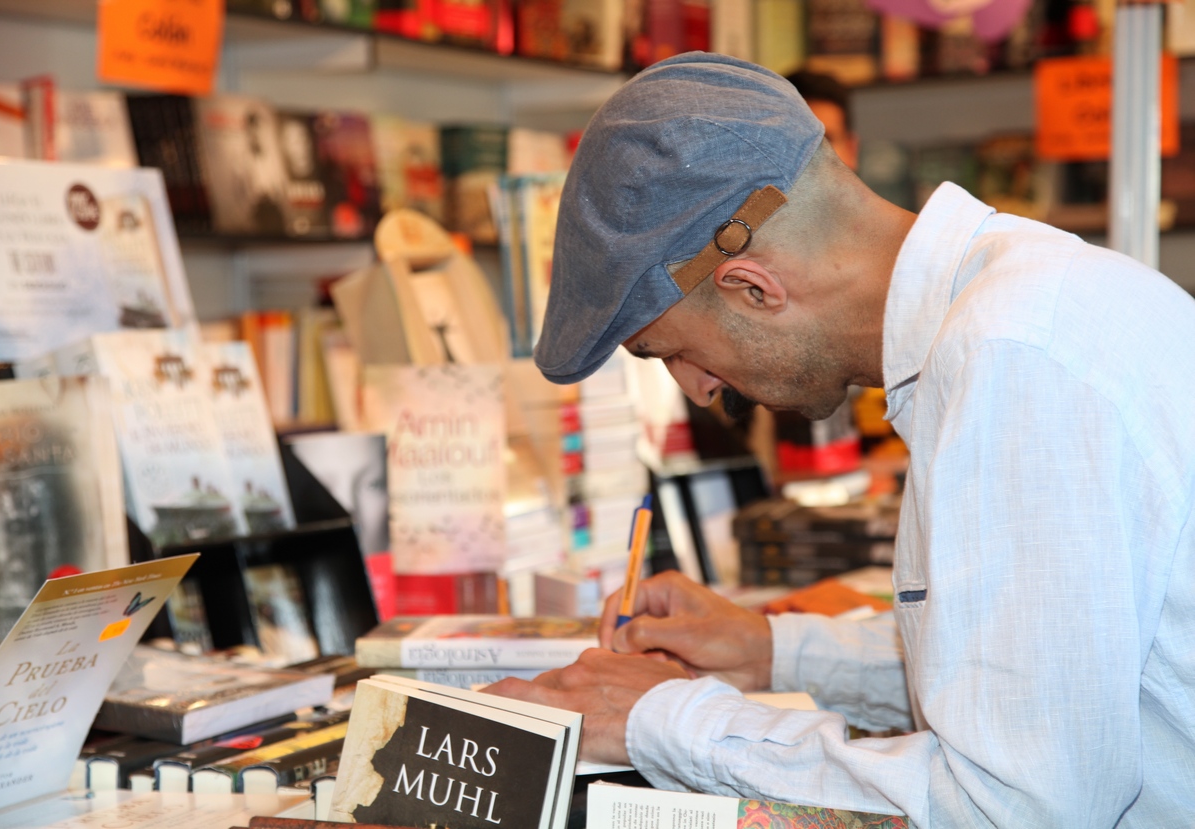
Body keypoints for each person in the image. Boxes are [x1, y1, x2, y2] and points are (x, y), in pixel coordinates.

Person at [486, 51, 1195, 826]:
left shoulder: (1013, 360)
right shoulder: (1015, 303)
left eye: (671, 352)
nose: (698, 389)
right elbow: (1034, 682)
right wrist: (770, 650)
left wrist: (663, 719)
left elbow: (1016, 804)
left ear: (753, 288)